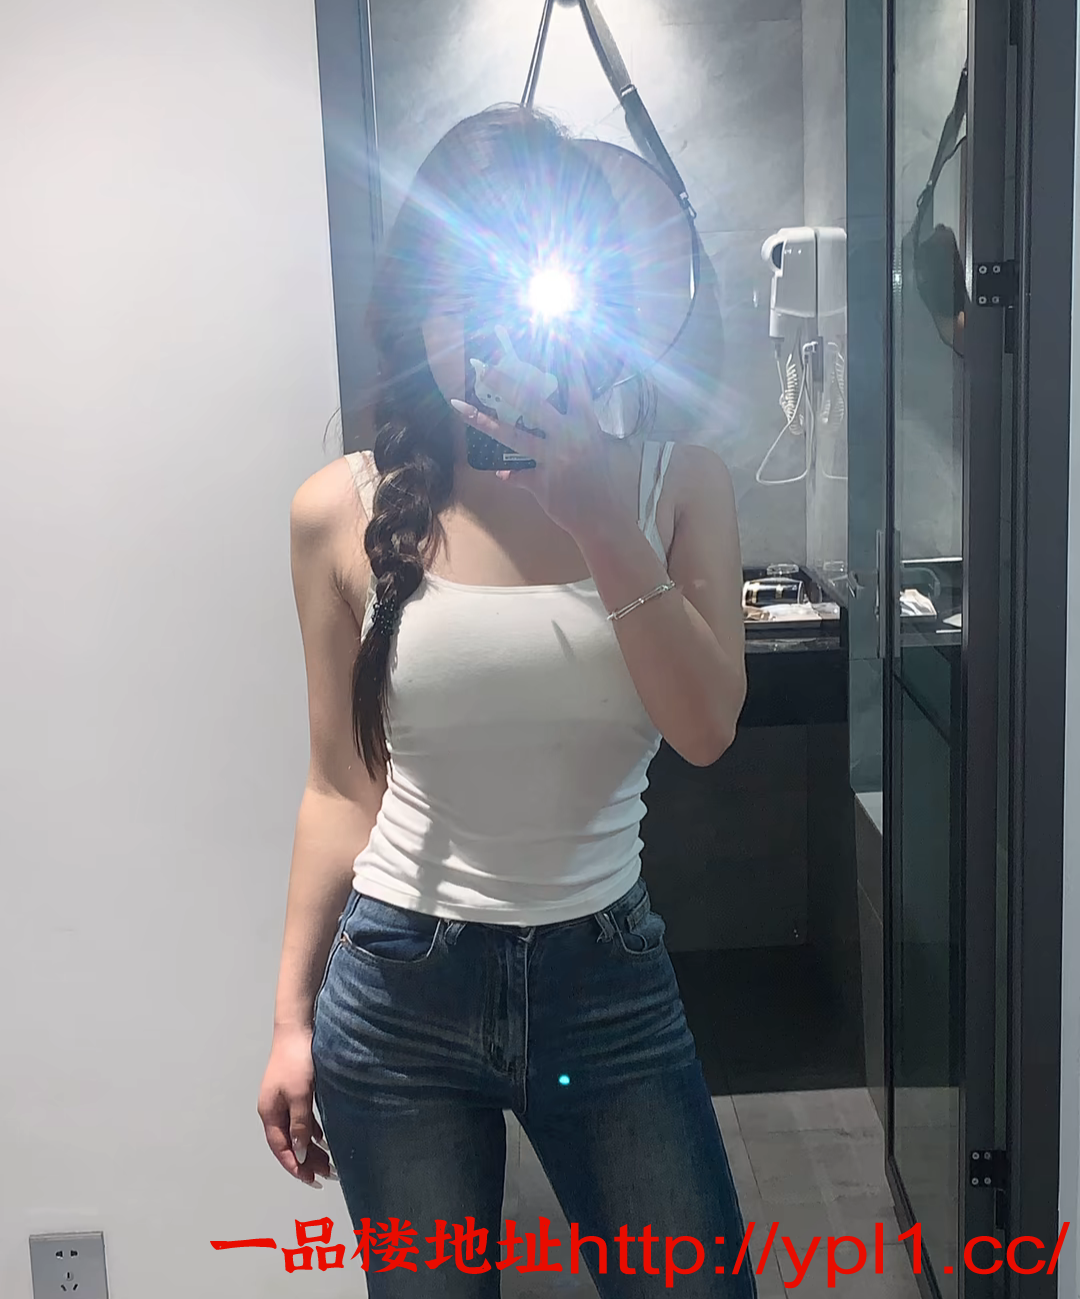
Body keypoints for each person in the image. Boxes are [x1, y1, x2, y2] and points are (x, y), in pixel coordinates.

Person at [257, 104, 752, 1298]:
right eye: (460, 289)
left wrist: (601, 525)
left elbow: (705, 731)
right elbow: (339, 788)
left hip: (607, 981)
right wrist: (289, 1020)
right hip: (399, 989)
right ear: (419, 308)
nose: (491, 330)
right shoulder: (338, 510)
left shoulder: (677, 484)